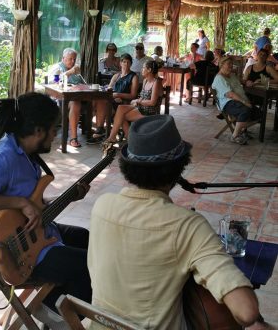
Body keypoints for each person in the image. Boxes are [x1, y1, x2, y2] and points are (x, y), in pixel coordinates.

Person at [88, 114, 263, 330]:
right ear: (179, 167)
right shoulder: (188, 226)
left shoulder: (102, 205)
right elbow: (246, 311)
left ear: (127, 167)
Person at [0, 92, 92, 330]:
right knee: (89, 265)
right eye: (53, 129)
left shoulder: (26, 153)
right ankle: (58, 315)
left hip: (36, 232)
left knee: (85, 238)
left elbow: (32, 204)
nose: (55, 134)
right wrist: (19, 203)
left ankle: (55, 302)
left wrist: (67, 198)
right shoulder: (2, 157)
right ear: (39, 131)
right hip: (15, 253)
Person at [103, 60, 163, 144]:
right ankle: (116, 138)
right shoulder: (145, 81)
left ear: (149, 70)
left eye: (143, 68)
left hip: (149, 112)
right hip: (141, 107)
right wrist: (136, 102)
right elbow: (142, 96)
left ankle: (126, 138)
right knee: (120, 109)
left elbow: (152, 102)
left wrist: (138, 101)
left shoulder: (156, 83)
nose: (142, 70)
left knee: (121, 116)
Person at [87, 53, 139, 145]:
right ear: (120, 63)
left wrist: (119, 95)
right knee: (98, 101)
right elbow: (109, 90)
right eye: (124, 62)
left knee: (101, 103)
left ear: (131, 64)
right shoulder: (116, 76)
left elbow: (133, 95)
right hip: (113, 101)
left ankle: (100, 131)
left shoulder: (133, 77)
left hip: (124, 103)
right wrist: (109, 91)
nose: (126, 64)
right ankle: (100, 130)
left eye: (128, 62)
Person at [212, 56, 260, 145]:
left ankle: (240, 130)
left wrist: (246, 82)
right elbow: (230, 94)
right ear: (221, 65)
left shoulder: (232, 75)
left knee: (258, 113)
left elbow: (241, 81)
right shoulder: (219, 78)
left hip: (238, 101)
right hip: (228, 103)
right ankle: (235, 136)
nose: (231, 66)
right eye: (228, 64)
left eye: (231, 64)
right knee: (245, 111)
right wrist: (245, 102)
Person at [49, 48, 85, 148]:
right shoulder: (57, 68)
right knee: (75, 103)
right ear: (63, 58)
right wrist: (69, 72)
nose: (73, 61)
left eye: (74, 59)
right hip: (61, 98)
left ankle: (98, 132)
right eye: (70, 59)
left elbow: (82, 82)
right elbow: (54, 83)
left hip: (79, 95)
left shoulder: (76, 70)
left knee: (100, 101)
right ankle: (73, 138)